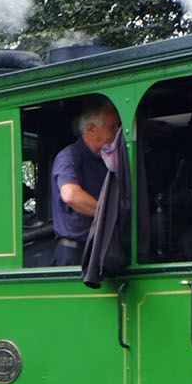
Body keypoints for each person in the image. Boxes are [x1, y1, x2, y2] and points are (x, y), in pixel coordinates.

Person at [49, 100, 123, 266]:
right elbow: (71, 195)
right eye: (112, 127)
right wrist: (109, 213)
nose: (117, 132)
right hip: (74, 254)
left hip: (100, 250)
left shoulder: (107, 161)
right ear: (90, 129)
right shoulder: (68, 156)